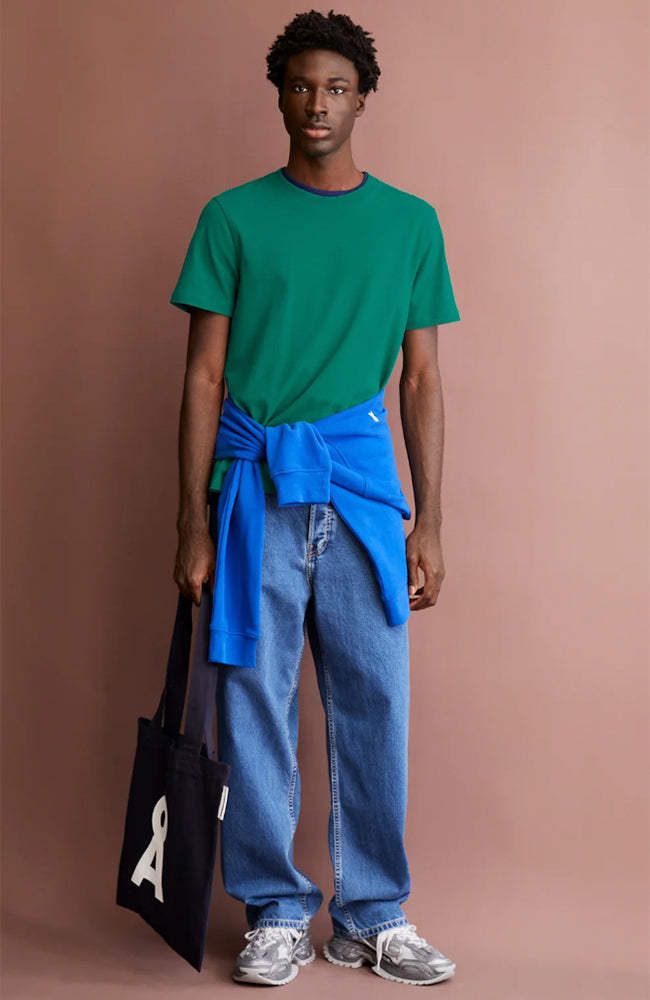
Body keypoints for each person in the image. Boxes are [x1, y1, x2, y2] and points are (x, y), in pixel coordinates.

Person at [169, 8, 460, 988]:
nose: (317, 104)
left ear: (363, 98)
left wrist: (430, 521)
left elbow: (422, 378)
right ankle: (274, 909)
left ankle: (371, 913)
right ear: (280, 97)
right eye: (300, 86)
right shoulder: (232, 217)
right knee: (251, 700)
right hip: (251, 491)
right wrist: (191, 519)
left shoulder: (410, 223)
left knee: (374, 699)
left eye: (336, 87)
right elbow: (203, 375)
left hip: (362, 494)